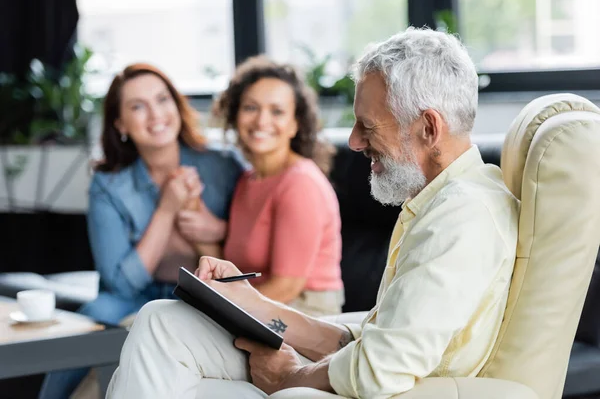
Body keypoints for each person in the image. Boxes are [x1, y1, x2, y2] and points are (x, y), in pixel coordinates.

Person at [106, 27, 520, 399]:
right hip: (353, 358)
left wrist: (292, 377)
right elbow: (367, 338)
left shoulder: (462, 218)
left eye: (368, 126)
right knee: (160, 321)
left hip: (388, 388)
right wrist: (249, 301)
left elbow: (381, 367)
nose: (355, 143)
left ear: (429, 128)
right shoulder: (435, 203)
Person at [39, 63, 244, 399]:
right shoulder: (109, 185)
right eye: (137, 106)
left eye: (162, 100)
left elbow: (253, 244)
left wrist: (218, 227)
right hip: (131, 297)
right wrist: (166, 209)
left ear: (177, 105)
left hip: (201, 294)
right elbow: (119, 282)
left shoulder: (224, 165)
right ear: (120, 123)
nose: (155, 114)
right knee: (96, 314)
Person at [213, 56, 344, 316]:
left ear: (295, 124)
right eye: (251, 108)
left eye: (277, 111)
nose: (262, 121)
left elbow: (285, 287)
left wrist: (214, 310)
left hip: (304, 313)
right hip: (260, 306)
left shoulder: (300, 183)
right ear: (235, 115)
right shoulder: (248, 180)